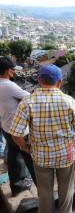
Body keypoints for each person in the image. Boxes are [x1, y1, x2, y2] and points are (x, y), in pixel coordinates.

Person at [9, 64, 75, 213]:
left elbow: (16, 134)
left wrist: (25, 147)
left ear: (39, 80)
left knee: (44, 190)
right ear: (59, 82)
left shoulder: (27, 102)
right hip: (65, 154)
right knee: (66, 186)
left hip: (41, 156)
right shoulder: (69, 101)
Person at [0, 56, 36, 196]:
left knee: (14, 156)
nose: (14, 72)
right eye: (12, 70)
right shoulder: (8, 85)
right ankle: (39, 185)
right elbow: (29, 97)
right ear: (8, 70)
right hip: (18, 129)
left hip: (6, 125)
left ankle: (16, 185)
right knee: (29, 156)